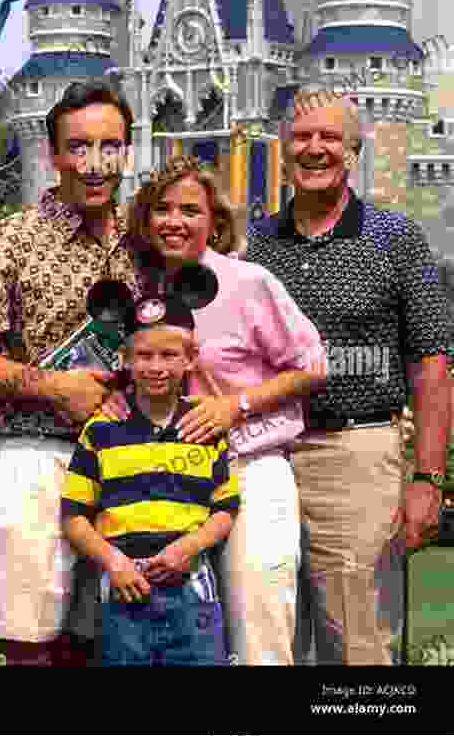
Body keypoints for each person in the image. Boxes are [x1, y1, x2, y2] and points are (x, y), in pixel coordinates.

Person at [0, 79, 142, 666]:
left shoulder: (147, 240)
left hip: (130, 462)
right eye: (79, 147)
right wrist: (50, 387)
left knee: (124, 641)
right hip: (32, 455)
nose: (95, 164)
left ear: (128, 150)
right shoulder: (12, 240)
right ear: (53, 155)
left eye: (110, 146)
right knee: (29, 645)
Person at [245, 86, 453, 665]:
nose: (315, 149)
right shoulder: (254, 244)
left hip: (357, 453)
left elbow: (431, 365)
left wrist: (428, 479)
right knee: (268, 640)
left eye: (330, 138)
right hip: (267, 457)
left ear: (354, 151)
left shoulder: (395, 238)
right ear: (284, 151)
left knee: (360, 643)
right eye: (302, 138)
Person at [126, 155, 327, 665]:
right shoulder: (135, 293)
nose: (175, 221)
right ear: (145, 220)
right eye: (162, 209)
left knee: (259, 630)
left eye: (190, 210)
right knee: (168, 640)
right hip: (162, 479)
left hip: (249, 468)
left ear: (214, 221)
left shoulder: (248, 282)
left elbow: (312, 366)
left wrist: (233, 405)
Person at [61, 282, 239, 666]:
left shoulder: (204, 429)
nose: (155, 366)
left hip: (191, 586)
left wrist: (187, 548)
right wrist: (113, 563)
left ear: (190, 359)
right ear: (124, 359)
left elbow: (225, 510)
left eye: (168, 355)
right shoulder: (101, 431)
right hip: (124, 587)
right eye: (143, 356)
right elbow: (74, 517)